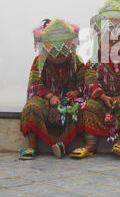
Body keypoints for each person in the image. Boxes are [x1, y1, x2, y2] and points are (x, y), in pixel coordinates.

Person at [70, 0, 120, 158]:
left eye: (116, 41)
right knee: (87, 107)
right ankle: (90, 145)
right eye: (108, 41)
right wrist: (102, 96)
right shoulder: (94, 61)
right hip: (101, 99)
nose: (112, 45)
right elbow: (90, 80)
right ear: (99, 39)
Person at [19, 18, 85, 160]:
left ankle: (62, 143)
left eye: (63, 51)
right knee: (31, 107)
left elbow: (83, 81)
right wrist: (49, 96)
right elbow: (35, 84)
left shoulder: (76, 62)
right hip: (45, 100)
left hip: (68, 100)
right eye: (55, 51)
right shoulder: (39, 62)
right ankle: (32, 145)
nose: (60, 55)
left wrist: (76, 92)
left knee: (79, 109)